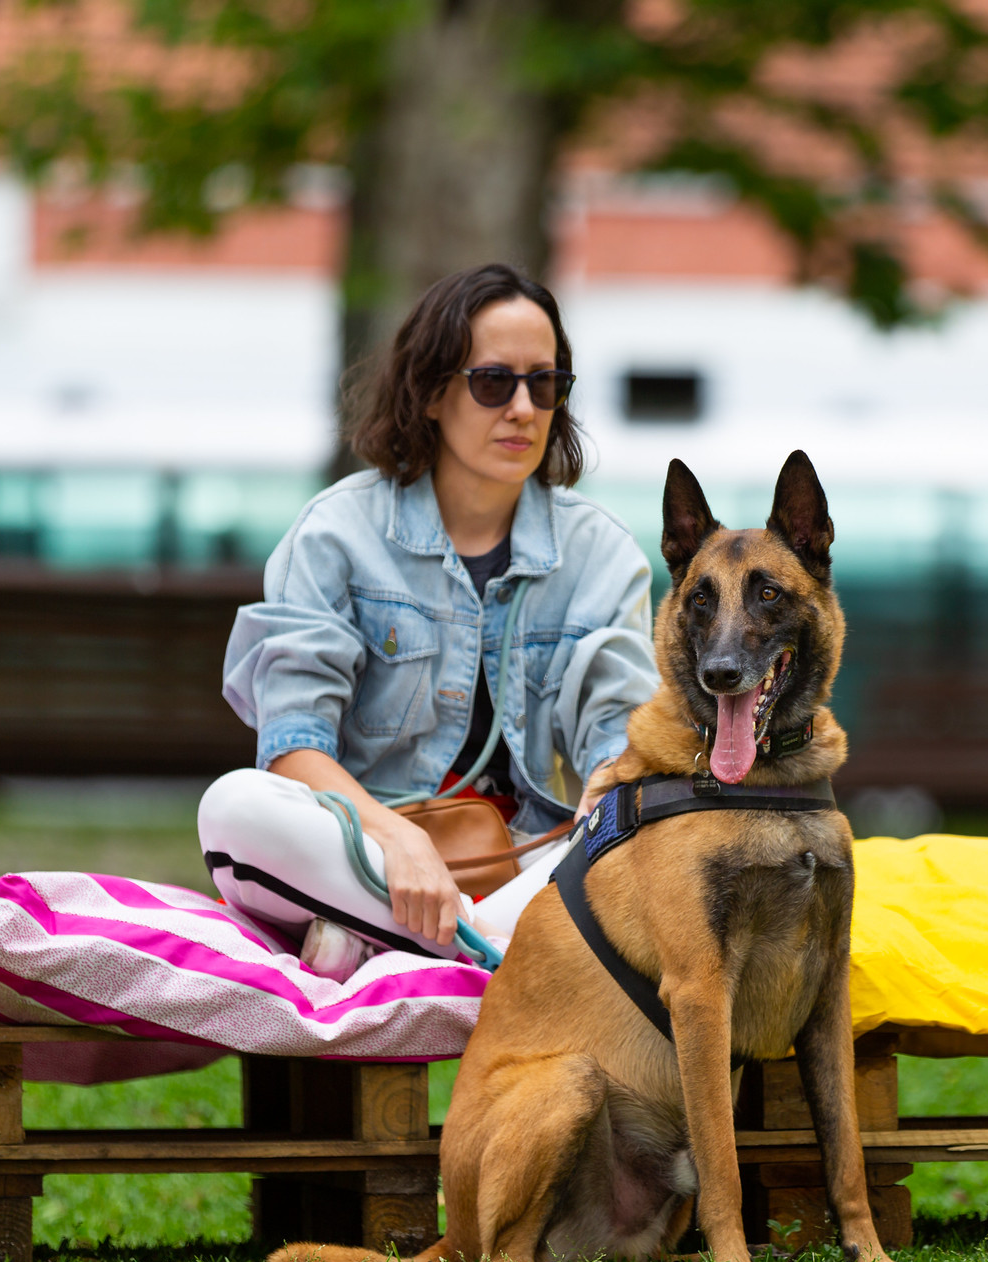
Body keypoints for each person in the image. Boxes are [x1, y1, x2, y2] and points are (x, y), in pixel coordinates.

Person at [201, 264, 657, 976]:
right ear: (435, 391)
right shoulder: (336, 533)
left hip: (518, 863)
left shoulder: (600, 553)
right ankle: (478, 949)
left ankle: (385, 941)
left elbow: (621, 732)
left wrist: (612, 782)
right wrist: (394, 843)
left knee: (645, 824)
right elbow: (293, 746)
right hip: (355, 848)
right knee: (232, 806)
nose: (523, 409)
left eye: (546, 384)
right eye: (493, 382)